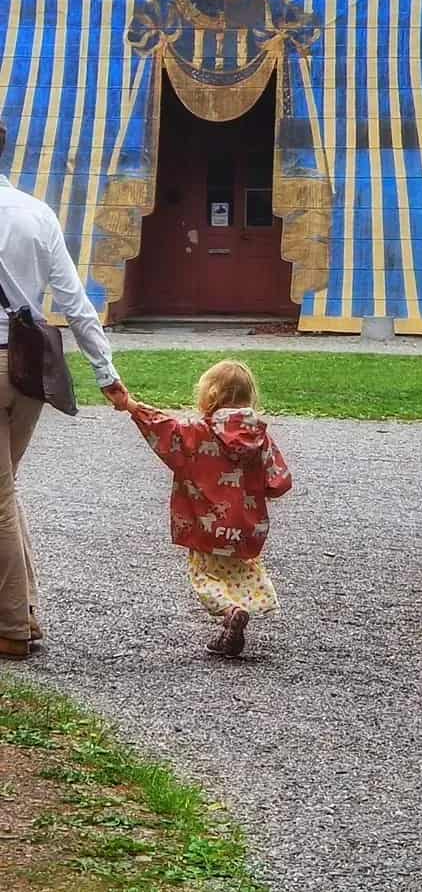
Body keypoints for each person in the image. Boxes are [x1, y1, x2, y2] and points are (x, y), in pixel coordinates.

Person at [0, 125, 128, 660]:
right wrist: (106, 371)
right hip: (28, 369)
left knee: (0, 497)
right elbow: (74, 301)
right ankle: (26, 612)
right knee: (5, 489)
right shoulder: (35, 213)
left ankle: (9, 625)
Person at [122, 359, 291, 658]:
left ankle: (230, 611)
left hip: (207, 526)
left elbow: (165, 429)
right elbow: (279, 481)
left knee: (206, 576)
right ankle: (234, 625)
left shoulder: (199, 431)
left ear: (210, 395)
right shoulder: (260, 436)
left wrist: (133, 406)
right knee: (241, 572)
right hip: (245, 527)